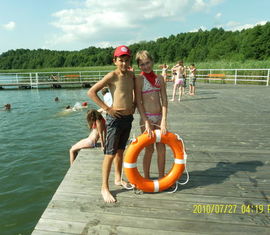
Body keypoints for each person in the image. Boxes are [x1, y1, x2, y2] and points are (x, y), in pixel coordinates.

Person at [88, 45, 135, 203]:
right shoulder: (112, 76)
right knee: (110, 154)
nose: (123, 63)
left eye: (126, 60)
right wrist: (107, 108)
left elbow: (130, 92)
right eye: (120, 60)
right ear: (114, 61)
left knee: (121, 151)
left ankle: (118, 178)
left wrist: (134, 104)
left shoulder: (130, 75)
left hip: (128, 119)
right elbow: (91, 92)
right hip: (115, 119)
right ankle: (104, 188)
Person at [135, 50, 168, 179]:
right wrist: (146, 121)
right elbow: (138, 101)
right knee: (149, 149)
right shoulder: (139, 79)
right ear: (139, 66)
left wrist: (164, 120)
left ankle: (161, 177)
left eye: (147, 63)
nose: (146, 66)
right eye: (142, 64)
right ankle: (146, 179)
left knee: (162, 149)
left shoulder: (160, 79)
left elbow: (164, 100)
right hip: (146, 118)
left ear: (152, 62)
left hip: (159, 117)